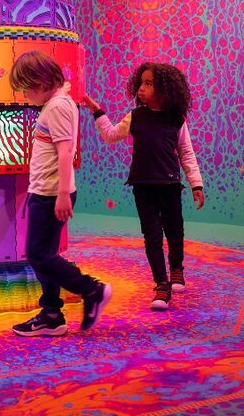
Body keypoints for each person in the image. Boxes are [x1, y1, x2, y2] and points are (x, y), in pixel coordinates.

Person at [83, 62, 205, 311]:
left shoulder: (176, 119)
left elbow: (186, 153)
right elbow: (111, 134)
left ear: (165, 89)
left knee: (174, 231)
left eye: (149, 84)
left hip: (169, 185)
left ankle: (177, 269)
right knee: (151, 236)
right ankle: (162, 284)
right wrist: (97, 111)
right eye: (141, 83)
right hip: (142, 185)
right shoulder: (136, 116)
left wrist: (196, 184)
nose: (142, 88)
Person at [9, 50, 112, 336]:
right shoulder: (59, 102)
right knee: (45, 254)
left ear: (41, 82)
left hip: (51, 193)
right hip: (45, 191)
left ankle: (92, 290)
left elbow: (65, 152)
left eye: (27, 89)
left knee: (38, 255)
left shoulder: (56, 107)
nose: (25, 95)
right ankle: (52, 314)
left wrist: (63, 194)